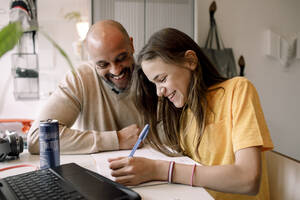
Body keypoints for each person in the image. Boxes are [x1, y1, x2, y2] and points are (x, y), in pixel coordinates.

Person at [108, 28, 274, 200]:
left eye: (162, 79)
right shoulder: (185, 111)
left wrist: (161, 170)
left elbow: (248, 179)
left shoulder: (238, 90)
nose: (159, 92)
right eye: (154, 84)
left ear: (190, 60)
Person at [27, 20, 144, 154]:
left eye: (121, 58)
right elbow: (38, 139)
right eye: (103, 65)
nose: (116, 71)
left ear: (131, 45)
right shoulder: (79, 79)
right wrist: (117, 139)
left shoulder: (154, 76)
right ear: (92, 60)